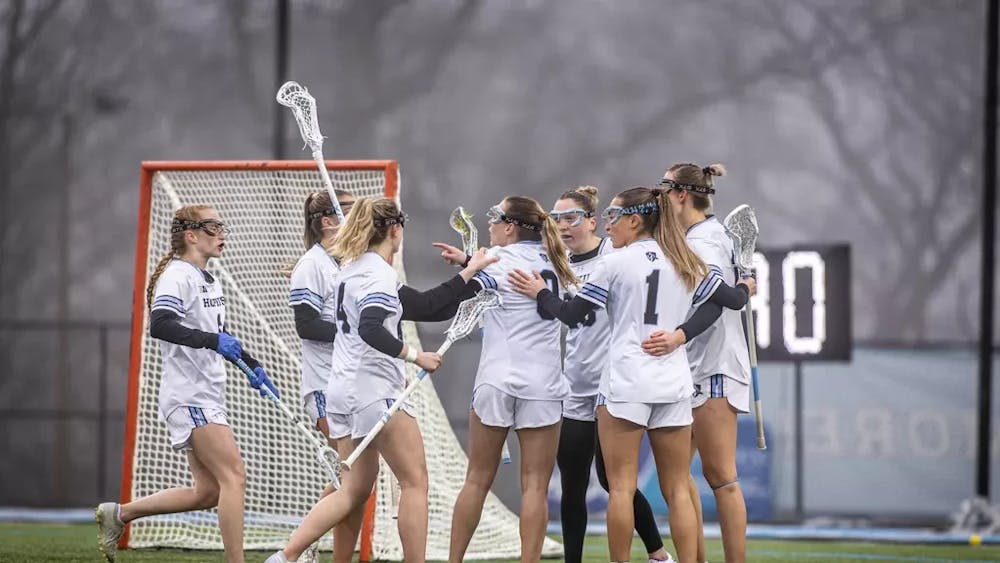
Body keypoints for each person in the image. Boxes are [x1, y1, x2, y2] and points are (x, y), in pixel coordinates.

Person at [507, 187, 743, 563]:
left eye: (613, 217)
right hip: (673, 384)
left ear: (635, 220)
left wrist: (540, 293)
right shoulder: (687, 259)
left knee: (619, 488)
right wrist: (741, 286)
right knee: (678, 488)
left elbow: (571, 315)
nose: (607, 224)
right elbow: (730, 301)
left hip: (626, 384)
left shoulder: (614, 262)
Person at [267, 198, 496, 563]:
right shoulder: (376, 274)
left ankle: (286, 556)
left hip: (343, 389)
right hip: (373, 390)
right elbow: (371, 328)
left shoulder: (355, 268)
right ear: (394, 230)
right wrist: (414, 355)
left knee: (352, 489)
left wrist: (471, 275)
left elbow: (425, 306)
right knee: (415, 481)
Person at [96, 205, 278, 563]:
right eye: (213, 227)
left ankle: (118, 514)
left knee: (208, 492)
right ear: (191, 236)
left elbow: (216, 333)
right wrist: (213, 341)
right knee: (235, 476)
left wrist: (253, 365)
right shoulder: (178, 276)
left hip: (207, 393)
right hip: (190, 395)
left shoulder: (209, 278)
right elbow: (161, 325)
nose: (222, 233)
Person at [438, 196, 577, 563]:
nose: (489, 223)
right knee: (535, 486)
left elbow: (460, 293)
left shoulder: (496, 261)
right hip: (544, 385)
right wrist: (468, 260)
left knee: (477, 480)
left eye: (494, 217)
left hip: (496, 381)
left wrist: (468, 267)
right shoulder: (560, 263)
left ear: (511, 225)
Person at [546, 186, 673, 563]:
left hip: (612, 385)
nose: (563, 226)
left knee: (613, 480)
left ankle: (658, 553)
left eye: (570, 218)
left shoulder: (614, 255)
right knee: (572, 483)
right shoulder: (558, 260)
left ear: (590, 220)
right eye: (557, 219)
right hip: (576, 385)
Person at [642, 163, 756, 563]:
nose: (658, 197)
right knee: (677, 477)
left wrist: (680, 335)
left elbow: (720, 300)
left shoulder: (706, 241)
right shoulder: (693, 236)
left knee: (721, 477)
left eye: (663, 189)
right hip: (687, 367)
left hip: (713, 366)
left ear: (681, 195)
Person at [285, 189, 361, 563]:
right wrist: (358, 330)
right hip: (325, 386)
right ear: (328, 221)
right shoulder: (311, 265)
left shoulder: (350, 262)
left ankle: (306, 549)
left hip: (351, 383)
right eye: (348, 210)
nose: (357, 215)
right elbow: (306, 324)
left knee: (349, 480)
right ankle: (295, 552)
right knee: (352, 480)